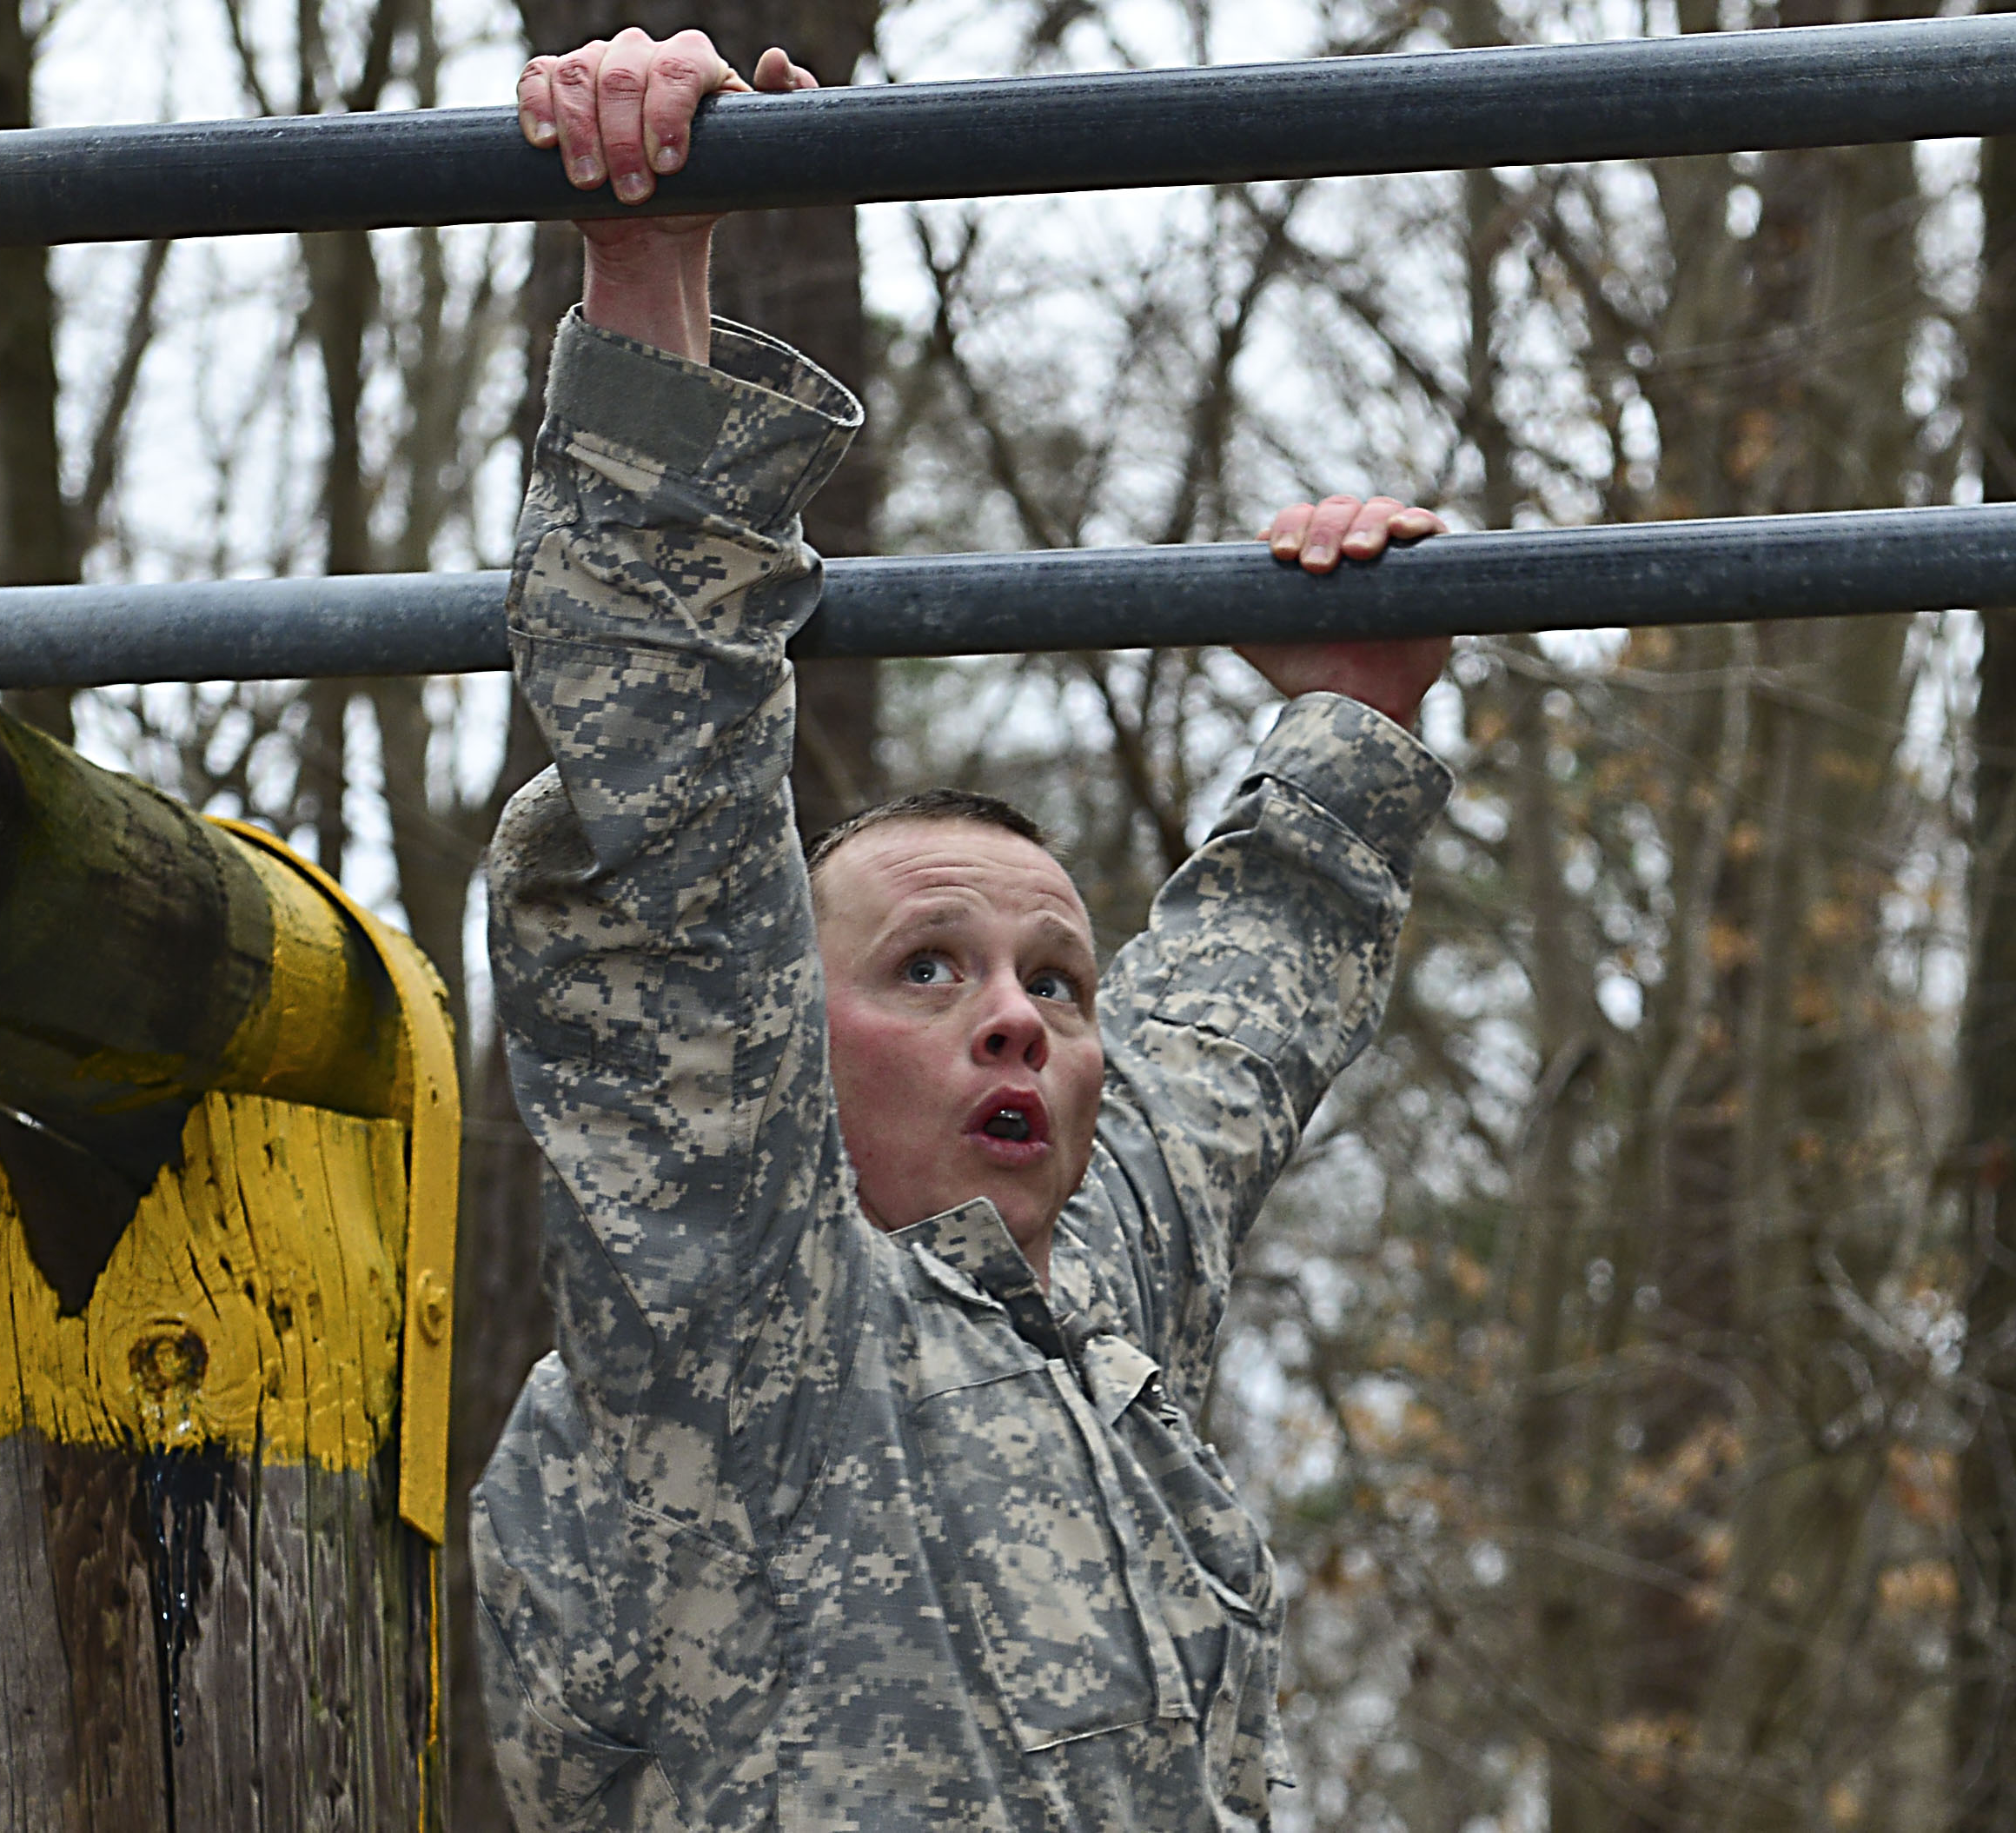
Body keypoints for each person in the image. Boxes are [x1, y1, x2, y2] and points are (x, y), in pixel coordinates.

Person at [473, 28, 1455, 1831]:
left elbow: (1226, 1033)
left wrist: (1356, 712)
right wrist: (649, 258)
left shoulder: (1090, 1287)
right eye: (925, 968)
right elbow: (673, 855)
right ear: (784, 1038)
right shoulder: (744, 1328)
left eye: (1053, 983)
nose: (1015, 1019)